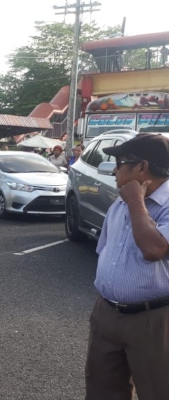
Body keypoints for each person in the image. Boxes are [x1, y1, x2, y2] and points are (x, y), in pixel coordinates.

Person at [84, 134, 169, 400]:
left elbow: (154, 249)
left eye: (120, 162)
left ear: (142, 167)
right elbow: (105, 250)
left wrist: (136, 202)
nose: (114, 169)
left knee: (157, 390)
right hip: (107, 313)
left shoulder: (156, 204)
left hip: (152, 320)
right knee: (101, 390)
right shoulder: (120, 202)